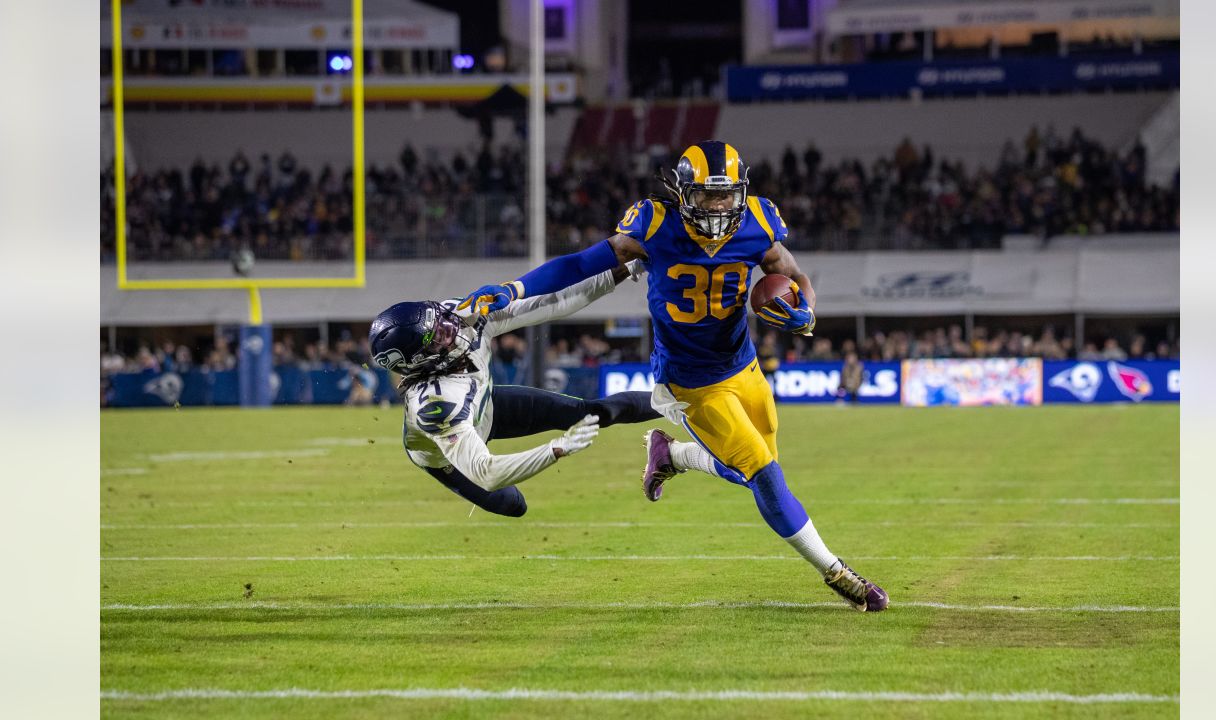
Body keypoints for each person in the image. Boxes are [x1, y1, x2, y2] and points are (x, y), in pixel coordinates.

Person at [460, 141, 888, 611]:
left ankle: (674, 455)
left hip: (743, 366)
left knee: (751, 471)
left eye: (727, 196)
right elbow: (581, 263)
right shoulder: (654, 224)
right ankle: (836, 572)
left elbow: (793, 274)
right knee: (765, 476)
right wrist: (514, 289)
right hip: (690, 383)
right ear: (684, 193)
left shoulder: (759, 222)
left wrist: (806, 312)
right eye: (708, 196)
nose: (720, 206)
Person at [370, 264, 659, 519]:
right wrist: (556, 449)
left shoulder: (459, 314)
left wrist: (622, 270)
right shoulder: (435, 404)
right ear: (419, 361)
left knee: (594, 413)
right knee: (513, 505)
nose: (451, 326)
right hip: (448, 455)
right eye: (438, 336)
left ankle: (678, 399)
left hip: (488, 407)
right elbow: (488, 472)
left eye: (440, 319)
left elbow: (551, 303)